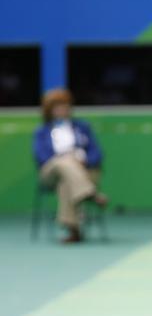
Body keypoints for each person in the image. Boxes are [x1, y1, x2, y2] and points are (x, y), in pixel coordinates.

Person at [32, 88, 108, 244]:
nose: (63, 109)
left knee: (66, 180)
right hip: (50, 172)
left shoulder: (82, 127)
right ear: (49, 110)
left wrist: (84, 159)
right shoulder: (41, 132)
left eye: (65, 106)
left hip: (80, 172)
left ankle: (74, 231)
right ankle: (90, 193)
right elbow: (41, 157)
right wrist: (68, 159)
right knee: (64, 162)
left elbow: (97, 153)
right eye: (58, 106)